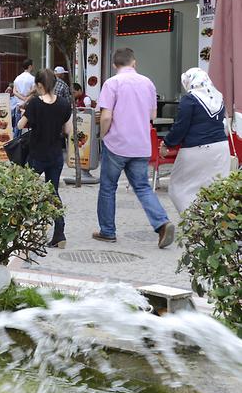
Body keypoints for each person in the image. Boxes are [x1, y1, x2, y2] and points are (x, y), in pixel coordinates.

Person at [94, 48, 174, 248]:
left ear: (115, 65)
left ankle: (107, 231)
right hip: (141, 144)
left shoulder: (112, 83)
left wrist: (103, 135)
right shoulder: (147, 83)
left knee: (107, 187)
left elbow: (105, 116)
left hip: (116, 144)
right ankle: (162, 223)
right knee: (142, 187)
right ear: (134, 63)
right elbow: (152, 116)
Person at [160, 68, 231, 214]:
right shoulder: (218, 97)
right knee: (215, 190)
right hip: (221, 148)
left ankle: (193, 224)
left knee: (178, 188)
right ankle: (213, 226)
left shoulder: (190, 99)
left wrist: (167, 143)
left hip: (196, 149)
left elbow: (181, 127)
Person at [18, 70, 72, 248]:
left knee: (24, 190)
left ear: (39, 85)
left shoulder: (34, 104)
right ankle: (60, 232)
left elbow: (20, 125)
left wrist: (26, 115)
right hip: (55, 155)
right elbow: (68, 130)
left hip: (37, 154)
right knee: (53, 192)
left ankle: (19, 228)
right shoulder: (64, 104)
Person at [13, 59, 35, 137]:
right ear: (30, 66)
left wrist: (22, 99)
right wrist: (25, 100)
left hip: (18, 105)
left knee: (17, 128)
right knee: (30, 128)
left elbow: (14, 92)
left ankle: (15, 145)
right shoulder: (32, 79)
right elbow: (33, 93)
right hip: (28, 106)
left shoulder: (17, 78)